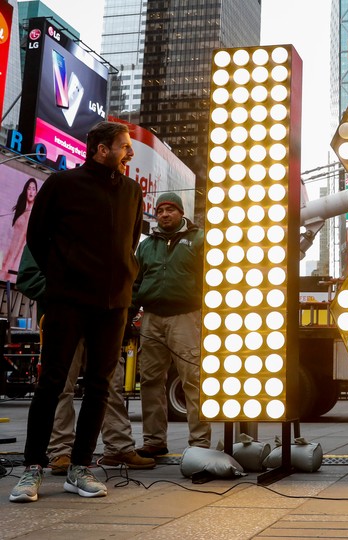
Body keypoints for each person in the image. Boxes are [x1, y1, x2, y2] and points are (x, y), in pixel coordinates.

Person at [10, 121, 143, 503]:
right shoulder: (62, 184)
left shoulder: (132, 191)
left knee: (100, 386)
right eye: (124, 146)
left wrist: (124, 280)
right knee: (51, 382)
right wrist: (61, 278)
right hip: (67, 300)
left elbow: (130, 242)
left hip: (113, 304)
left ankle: (80, 468)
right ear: (102, 150)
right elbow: (37, 236)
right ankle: (32, 468)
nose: (129, 153)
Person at [15, 246, 154, 475]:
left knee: (108, 384)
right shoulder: (54, 231)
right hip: (65, 315)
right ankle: (61, 450)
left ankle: (118, 446)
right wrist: (62, 299)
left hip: (102, 315)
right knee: (61, 384)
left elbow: (126, 268)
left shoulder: (106, 228)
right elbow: (28, 276)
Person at [132, 192, 210, 457]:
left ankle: (200, 443)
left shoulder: (199, 239)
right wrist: (128, 314)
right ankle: (154, 441)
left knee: (193, 379)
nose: (164, 214)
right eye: (160, 210)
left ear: (181, 212)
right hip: (152, 317)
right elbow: (136, 282)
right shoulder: (146, 245)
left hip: (187, 316)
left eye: (170, 210)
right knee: (151, 381)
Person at [1, 177, 38, 282]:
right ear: (25, 190)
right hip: (8, 255)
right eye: (29, 188)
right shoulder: (23, 210)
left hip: (15, 261)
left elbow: (21, 243)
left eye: (33, 189)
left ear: (36, 192)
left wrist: (10, 266)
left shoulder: (31, 214)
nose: (31, 191)